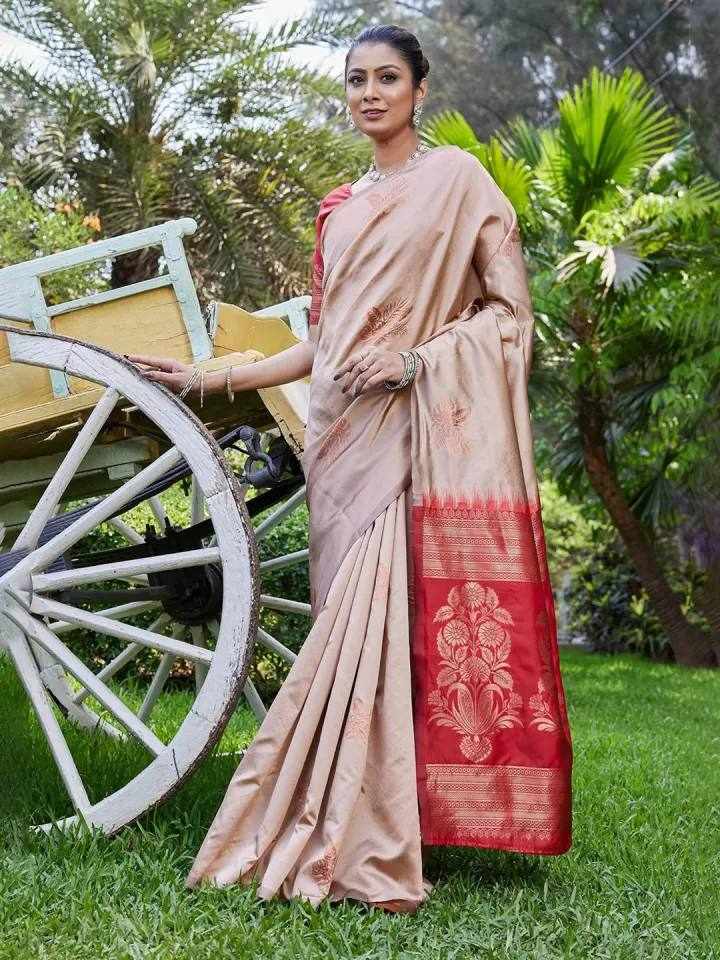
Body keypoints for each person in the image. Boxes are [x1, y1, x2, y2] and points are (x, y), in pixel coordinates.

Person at [129, 24, 573, 914]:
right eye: (357, 79)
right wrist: (214, 378)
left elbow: (508, 316)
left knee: (391, 629)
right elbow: (323, 344)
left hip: (411, 432)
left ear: (419, 90)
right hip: (338, 440)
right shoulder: (338, 209)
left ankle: (375, 830)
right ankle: (357, 814)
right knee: (350, 629)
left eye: (387, 78)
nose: (370, 93)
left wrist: (417, 361)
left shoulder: (458, 183)